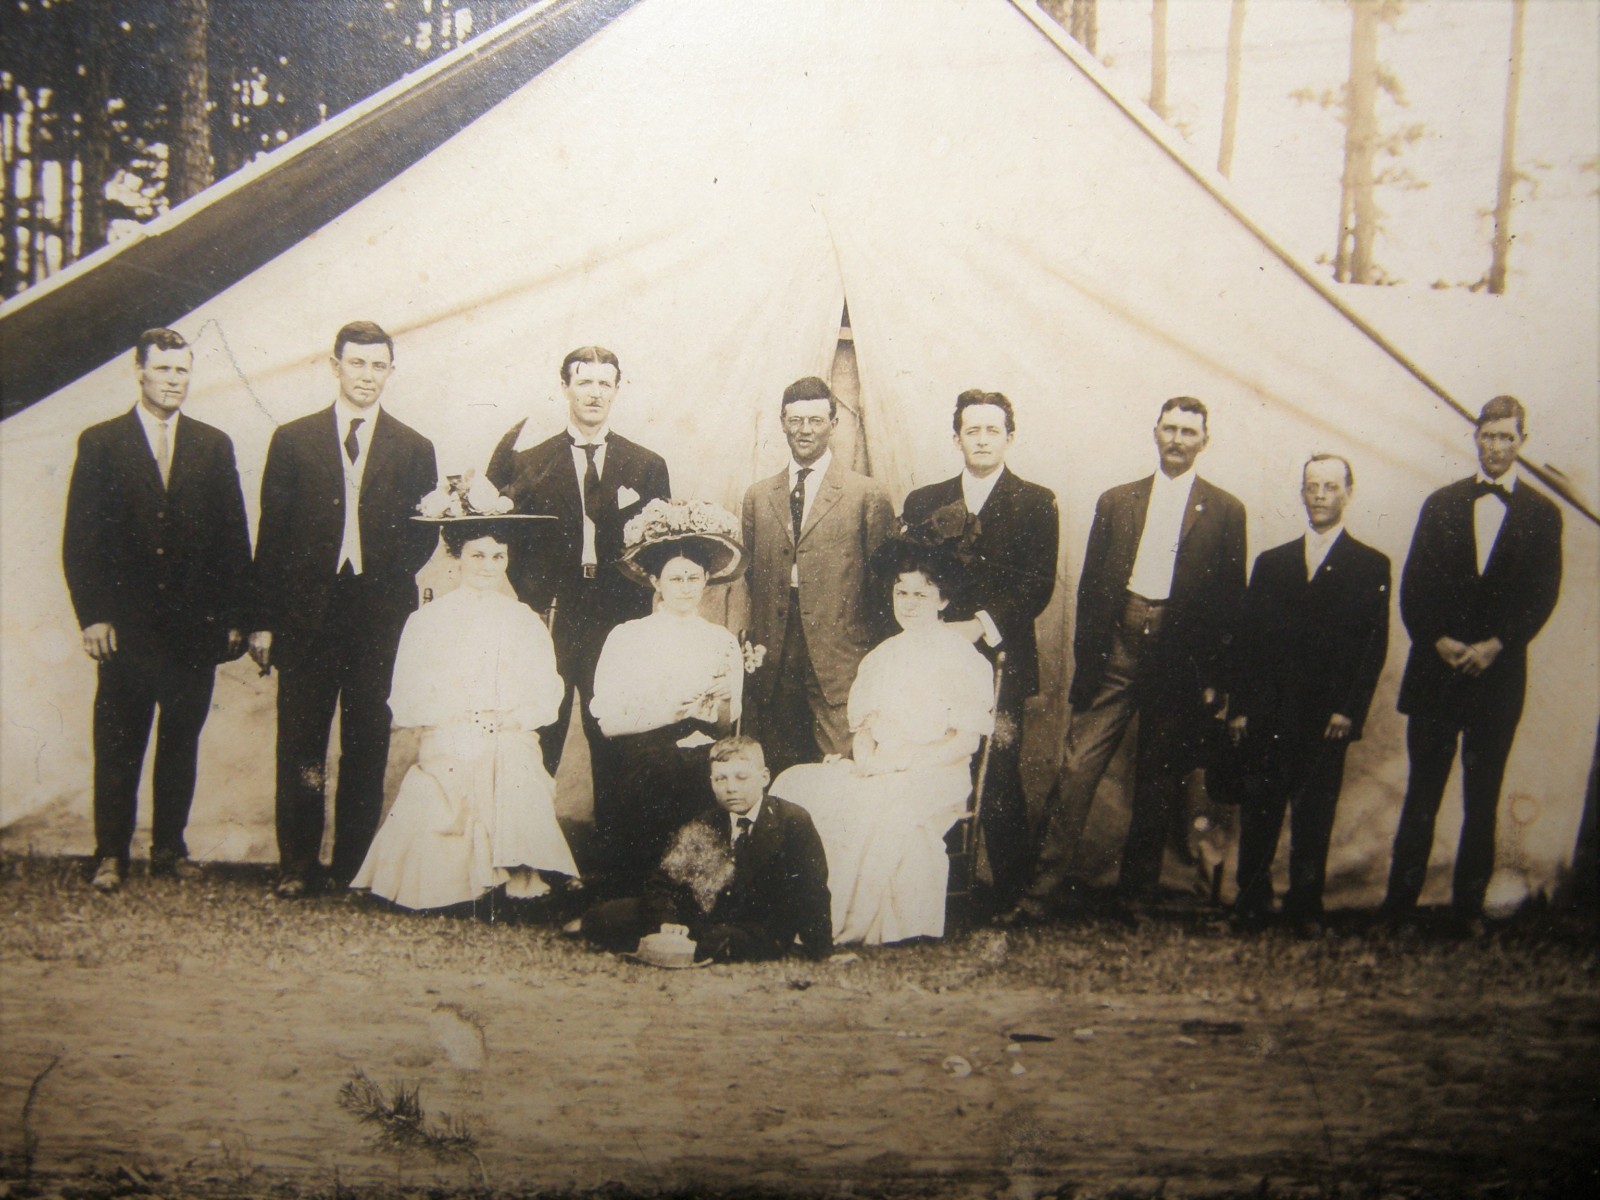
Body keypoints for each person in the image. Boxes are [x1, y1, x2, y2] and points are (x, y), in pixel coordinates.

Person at [1009, 397, 1246, 922]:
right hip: (1116, 649)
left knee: (1159, 779)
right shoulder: (1118, 501)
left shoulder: (1225, 510)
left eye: (1189, 431)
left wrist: (1215, 678)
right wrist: (1089, 661)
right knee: (1076, 769)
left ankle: (1136, 897)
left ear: (1204, 441)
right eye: (1169, 429)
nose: (1178, 439)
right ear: (1155, 432)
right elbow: (1092, 587)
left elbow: (1232, 601)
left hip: (1179, 659)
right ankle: (1038, 894)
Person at [250, 321, 439, 898]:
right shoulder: (293, 439)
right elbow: (272, 534)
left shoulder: (413, 447)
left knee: (366, 741)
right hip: (306, 616)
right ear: (335, 366)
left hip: (377, 616)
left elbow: (423, 536)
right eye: (356, 364)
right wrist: (263, 618)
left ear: (390, 371)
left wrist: (380, 574)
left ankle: (353, 863)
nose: (366, 376)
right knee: (302, 741)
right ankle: (297, 862)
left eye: (378, 366)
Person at [62, 328, 252, 892]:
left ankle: (169, 849)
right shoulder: (101, 442)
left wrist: (236, 616)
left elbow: (233, 537)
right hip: (127, 627)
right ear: (139, 372)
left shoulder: (213, 444)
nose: (174, 382)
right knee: (119, 741)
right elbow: (81, 538)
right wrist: (93, 614)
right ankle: (111, 854)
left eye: (182, 371)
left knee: (180, 742)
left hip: (195, 628)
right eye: (164, 370)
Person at [1382, 396, 1563, 928]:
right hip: (1437, 673)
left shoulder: (1543, 515)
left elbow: (1542, 595)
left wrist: (1496, 645)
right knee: (1422, 793)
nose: (1498, 447)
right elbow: (1413, 587)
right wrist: (1439, 641)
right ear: (1475, 438)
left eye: (1508, 437)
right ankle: (1398, 908)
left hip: (1497, 678)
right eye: (1489, 436)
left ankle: (1468, 912)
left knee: (1482, 799)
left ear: (1522, 443)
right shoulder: (1440, 504)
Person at [351, 490, 578, 911]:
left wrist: (514, 718)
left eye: (497, 557)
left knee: (512, 753)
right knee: (472, 752)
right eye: (478, 556)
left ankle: (518, 878)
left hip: (507, 730)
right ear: (457, 559)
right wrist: (459, 716)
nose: (488, 567)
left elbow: (547, 693)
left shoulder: (524, 620)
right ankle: (474, 884)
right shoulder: (426, 622)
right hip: (449, 730)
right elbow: (406, 700)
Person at [770, 535, 996, 944]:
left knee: (877, 802)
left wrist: (904, 763)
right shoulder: (882, 656)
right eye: (901, 592)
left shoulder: (962, 659)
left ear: (943, 601)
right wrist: (869, 760)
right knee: (799, 784)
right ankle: (799, 914)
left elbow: (965, 742)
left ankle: (848, 920)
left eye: (922, 594)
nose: (909, 603)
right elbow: (865, 734)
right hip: (882, 768)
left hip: (936, 773)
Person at [485, 346, 671, 809]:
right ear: (565, 387)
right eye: (583, 382)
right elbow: (509, 540)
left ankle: (609, 861)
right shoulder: (531, 462)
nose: (594, 393)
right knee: (540, 724)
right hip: (553, 612)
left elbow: (660, 551)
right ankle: (531, 852)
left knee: (612, 728)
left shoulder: (646, 464)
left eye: (604, 383)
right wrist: (534, 595)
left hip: (616, 614)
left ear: (617, 390)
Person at [901, 390, 1059, 913]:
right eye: (973, 430)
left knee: (997, 770)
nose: (983, 439)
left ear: (1009, 437)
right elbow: (911, 578)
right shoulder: (925, 501)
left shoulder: (1037, 502)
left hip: (998, 656)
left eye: (993, 430)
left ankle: (1010, 894)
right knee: (932, 759)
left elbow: (1037, 585)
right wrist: (933, 627)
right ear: (956, 438)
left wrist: (978, 626)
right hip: (933, 654)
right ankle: (936, 890)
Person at [1224, 455, 1390, 933]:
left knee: (1315, 813)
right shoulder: (1272, 563)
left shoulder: (1370, 565)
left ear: (1348, 494)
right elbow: (1249, 643)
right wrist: (1241, 710)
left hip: (1325, 717)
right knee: (1260, 809)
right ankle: (1251, 903)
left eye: (1330, 487)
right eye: (1311, 486)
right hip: (1270, 714)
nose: (1319, 495)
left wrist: (1348, 711)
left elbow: (1371, 648)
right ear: (1301, 492)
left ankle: (1305, 908)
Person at [589, 499, 747, 893]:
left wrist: (726, 700)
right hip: (645, 751)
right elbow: (608, 720)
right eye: (675, 580)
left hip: (704, 752)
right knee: (660, 771)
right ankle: (648, 890)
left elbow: (729, 727)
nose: (685, 589)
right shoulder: (628, 636)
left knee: (709, 773)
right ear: (655, 582)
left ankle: (698, 889)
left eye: (693, 579)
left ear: (707, 580)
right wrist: (668, 711)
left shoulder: (722, 641)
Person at [740, 376, 895, 776]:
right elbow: (753, 578)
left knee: (840, 770)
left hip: (838, 658)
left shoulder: (866, 495)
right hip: (775, 657)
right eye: (795, 420)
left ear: (834, 423)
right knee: (774, 767)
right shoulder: (758, 496)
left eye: (815, 420)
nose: (804, 430)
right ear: (782, 422)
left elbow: (882, 592)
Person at [574, 736, 833, 963]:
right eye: (721, 779)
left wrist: (821, 949)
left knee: (720, 942)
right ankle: (677, 940)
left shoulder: (791, 820)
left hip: (756, 925)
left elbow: (812, 888)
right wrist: (668, 921)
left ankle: (687, 945)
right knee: (603, 918)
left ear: (764, 777)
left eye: (741, 777)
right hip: (699, 917)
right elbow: (662, 881)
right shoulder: (707, 821)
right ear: (711, 781)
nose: (730, 787)